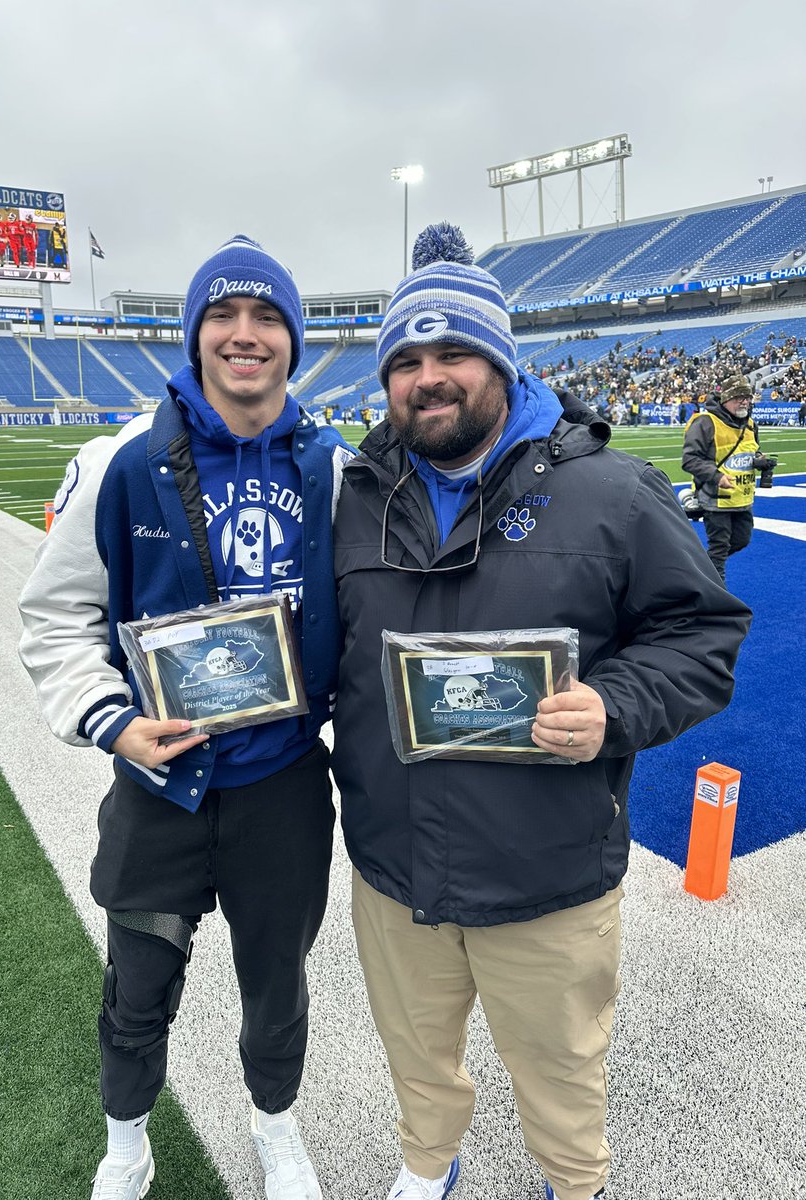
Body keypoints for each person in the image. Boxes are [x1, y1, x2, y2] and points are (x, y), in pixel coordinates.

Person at [331, 223, 751, 1200]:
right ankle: (429, 1163)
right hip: (397, 871)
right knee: (417, 1059)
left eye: (454, 354)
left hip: (548, 873)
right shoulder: (353, 496)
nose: (428, 378)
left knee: (561, 1072)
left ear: (503, 360)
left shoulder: (611, 491)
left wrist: (613, 705)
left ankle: (575, 1181)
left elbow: (704, 636)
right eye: (407, 360)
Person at [19, 234, 353, 1200]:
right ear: (194, 333)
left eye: (266, 319)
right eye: (223, 316)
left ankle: (275, 1126)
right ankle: (127, 1141)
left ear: (294, 340)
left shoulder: (334, 468)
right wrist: (112, 720)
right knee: (137, 986)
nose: (244, 336)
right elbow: (55, 614)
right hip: (160, 784)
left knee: (277, 988)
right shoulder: (118, 458)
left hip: (283, 787)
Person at [681, 374, 776, 585]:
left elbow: (751, 451)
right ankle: (717, 597)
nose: (744, 401)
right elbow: (689, 460)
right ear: (725, 398)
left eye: (747, 397)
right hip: (715, 498)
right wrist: (716, 476)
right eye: (738, 397)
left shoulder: (750, 424)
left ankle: (699, 569)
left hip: (741, 498)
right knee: (719, 548)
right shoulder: (705, 422)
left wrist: (760, 461)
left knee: (742, 540)